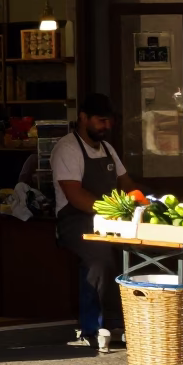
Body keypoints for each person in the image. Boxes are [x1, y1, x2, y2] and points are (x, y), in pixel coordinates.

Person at [51, 93, 140, 351]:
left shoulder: (108, 149)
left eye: (109, 121)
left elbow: (126, 183)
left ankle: (130, 321)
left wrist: (139, 204)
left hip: (110, 219)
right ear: (83, 118)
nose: (106, 126)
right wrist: (112, 211)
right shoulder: (67, 149)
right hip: (76, 222)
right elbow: (75, 196)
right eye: (101, 121)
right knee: (99, 258)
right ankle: (92, 328)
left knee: (136, 250)